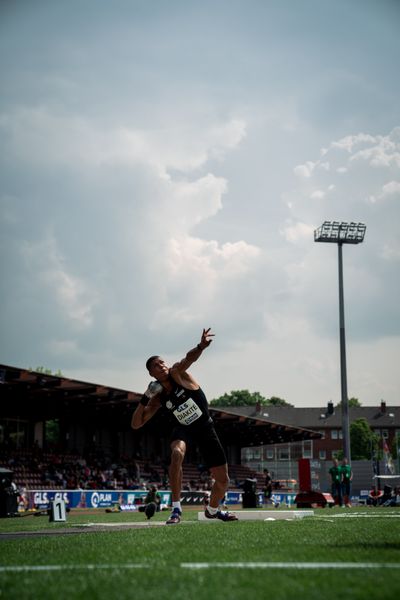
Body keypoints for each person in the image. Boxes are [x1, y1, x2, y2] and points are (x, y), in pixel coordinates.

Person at [131, 328, 238, 525]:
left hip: (205, 427)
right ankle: (176, 509)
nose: (162, 365)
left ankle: (213, 510)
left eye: (162, 361)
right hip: (184, 429)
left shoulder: (177, 373)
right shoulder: (158, 396)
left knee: (223, 480)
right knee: (177, 454)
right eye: (156, 364)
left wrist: (201, 347)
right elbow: (136, 424)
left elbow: (189, 358)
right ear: (151, 373)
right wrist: (145, 397)